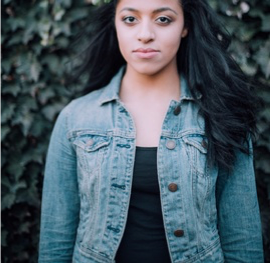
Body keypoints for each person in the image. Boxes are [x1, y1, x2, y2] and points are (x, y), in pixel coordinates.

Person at [38, 0, 264, 262]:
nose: (145, 34)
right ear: (115, 24)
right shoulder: (75, 119)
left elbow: (242, 240)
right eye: (130, 19)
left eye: (163, 19)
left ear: (185, 26)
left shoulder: (223, 115)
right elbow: (56, 240)